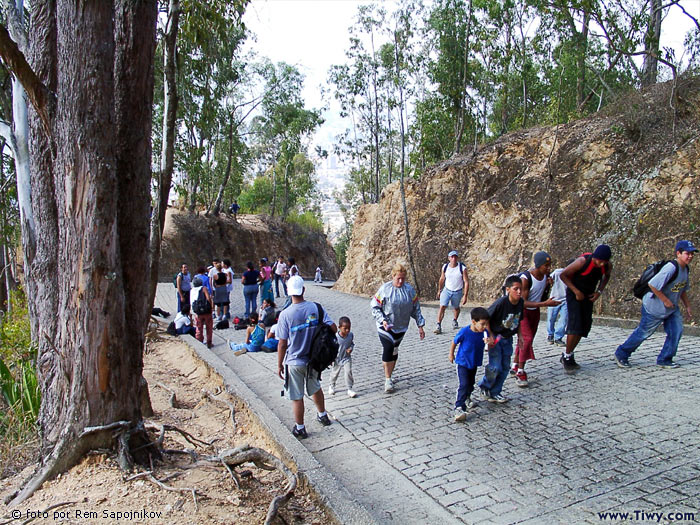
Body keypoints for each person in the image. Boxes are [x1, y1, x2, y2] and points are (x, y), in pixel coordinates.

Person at [614, 240, 695, 368]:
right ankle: (622, 353)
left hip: (671, 308)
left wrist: (688, 306)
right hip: (654, 307)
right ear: (678, 253)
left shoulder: (685, 269)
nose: (690, 256)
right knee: (643, 333)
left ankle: (665, 359)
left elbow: (682, 288)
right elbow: (653, 284)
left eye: (692, 253)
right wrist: (665, 300)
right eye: (687, 253)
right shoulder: (671, 268)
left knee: (676, 331)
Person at [277, 276, 336, 439]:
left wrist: (280, 364)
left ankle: (300, 428)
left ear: (289, 293)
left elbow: (282, 343)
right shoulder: (316, 308)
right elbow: (333, 327)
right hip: (314, 360)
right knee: (315, 387)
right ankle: (323, 415)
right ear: (303, 290)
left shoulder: (285, 314)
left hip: (294, 361)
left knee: (297, 396)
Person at [371, 263, 426, 394]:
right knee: (388, 348)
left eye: (403, 278)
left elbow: (416, 309)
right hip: (385, 326)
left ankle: (390, 374)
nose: (400, 281)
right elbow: (375, 306)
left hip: (401, 327)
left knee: (394, 350)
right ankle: (387, 379)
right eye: (398, 278)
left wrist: (420, 325)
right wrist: (383, 320)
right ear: (393, 276)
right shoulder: (385, 289)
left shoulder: (410, 290)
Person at [559, 244, 612, 373]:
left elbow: (606, 277)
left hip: (588, 294)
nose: (600, 264)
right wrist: (576, 291)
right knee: (575, 325)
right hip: (574, 293)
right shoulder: (583, 262)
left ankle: (570, 353)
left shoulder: (607, 266)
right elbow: (563, 275)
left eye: (603, 262)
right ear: (594, 257)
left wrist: (599, 291)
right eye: (598, 261)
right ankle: (566, 356)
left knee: (584, 326)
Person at [511, 251, 560, 387]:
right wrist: (545, 304)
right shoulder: (525, 279)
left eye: (550, 265)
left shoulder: (545, 277)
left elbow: (541, 297)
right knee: (526, 340)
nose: (549, 268)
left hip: (534, 312)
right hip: (523, 312)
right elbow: (522, 302)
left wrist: (548, 286)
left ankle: (515, 364)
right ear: (538, 265)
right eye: (546, 265)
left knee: (525, 340)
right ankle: (520, 372)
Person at [477, 275, 523, 404]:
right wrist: (490, 335)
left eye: (521, 289)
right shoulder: (501, 303)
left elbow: (518, 320)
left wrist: (520, 336)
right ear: (508, 289)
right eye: (516, 289)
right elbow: (486, 318)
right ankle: (484, 385)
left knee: (505, 367)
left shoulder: (521, 303)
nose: (519, 292)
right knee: (495, 367)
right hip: (496, 339)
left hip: (508, 339)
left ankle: (495, 392)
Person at [449, 307, 490, 421]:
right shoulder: (465, 332)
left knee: (471, 383)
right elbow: (454, 342)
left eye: (486, 324)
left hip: (474, 362)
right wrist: (451, 354)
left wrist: (489, 342)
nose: (485, 327)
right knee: (464, 384)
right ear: (473, 322)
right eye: (482, 324)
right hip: (463, 363)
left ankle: (467, 397)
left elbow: (490, 342)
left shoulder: (484, 333)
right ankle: (458, 406)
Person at [434, 251, 469, 334]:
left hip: (457, 291)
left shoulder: (462, 268)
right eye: (452, 257)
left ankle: (455, 320)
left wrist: (465, 295)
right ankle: (438, 325)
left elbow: (466, 281)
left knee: (456, 307)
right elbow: (442, 278)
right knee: (442, 306)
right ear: (449, 258)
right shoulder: (445, 267)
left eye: (455, 257)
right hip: (447, 290)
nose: (454, 259)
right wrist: (439, 290)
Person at [328, 316, 356, 398]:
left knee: (348, 372)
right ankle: (331, 385)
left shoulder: (350, 335)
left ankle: (349, 388)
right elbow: (331, 348)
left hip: (346, 358)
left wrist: (351, 348)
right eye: (345, 328)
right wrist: (331, 358)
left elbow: (352, 343)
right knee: (335, 373)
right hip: (337, 358)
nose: (347, 330)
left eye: (349, 328)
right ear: (339, 327)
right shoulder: (335, 337)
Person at [546, 264, 569, 347]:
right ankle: (550, 334)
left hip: (566, 300)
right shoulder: (558, 272)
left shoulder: (574, 274)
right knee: (551, 318)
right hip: (554, 298)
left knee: (564, 319)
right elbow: (549, 279)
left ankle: (558, 337)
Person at [189, 276, 214, 348]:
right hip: (206, 311)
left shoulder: (192, 290)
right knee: (209, 327)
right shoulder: (203, 288)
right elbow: (208, 298)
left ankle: (199, 342)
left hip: (198, 312)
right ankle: (209, 342)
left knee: (199, 327)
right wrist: (211, 306)